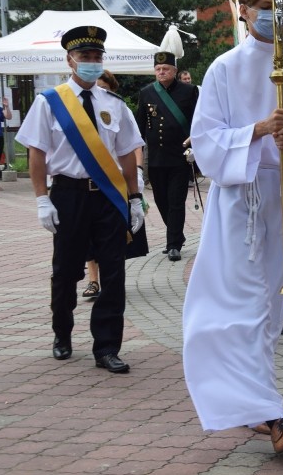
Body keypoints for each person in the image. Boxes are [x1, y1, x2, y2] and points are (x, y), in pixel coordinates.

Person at [181, 0, 283, 453]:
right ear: (244, 12)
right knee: (241, 306)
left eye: (279, 7)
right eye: (262, 5)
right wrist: (259, 130)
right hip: (237, 199)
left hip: (281, 196)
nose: (272, 14)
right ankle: (271, 415)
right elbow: (206, 139)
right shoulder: (224, 69)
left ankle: (254, 403)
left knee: (271, 307)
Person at [15, 25, 144, 373]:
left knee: (113, 272)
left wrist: (135, 198)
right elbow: (37, 154)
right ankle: (62, 333)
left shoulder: (114, 104)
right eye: (85, 56)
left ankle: (106, 348)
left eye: (97, 56)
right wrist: (42, 199)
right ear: (70, 60)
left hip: (107, 196)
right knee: (66, 270)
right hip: (69, 194)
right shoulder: (49, 102)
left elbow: (128, 154)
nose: (92, 62)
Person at [82, 70, 149, 299]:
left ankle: (112, 279)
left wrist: (138, 174)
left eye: (104, 88)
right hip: (87, 183)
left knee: (114, 237)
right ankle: (93, 280)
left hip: (115, 182)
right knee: (88, 236)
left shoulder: (119, 108)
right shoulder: (77, 109)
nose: (99, 91)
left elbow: (134, 146)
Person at [136, 52, 199, 262]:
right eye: (158, 69)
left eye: (165, 69)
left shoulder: (189, 92)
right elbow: (140, 127)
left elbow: (197, 121)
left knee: (176, 202)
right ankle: (177, 234)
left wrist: (195, 146)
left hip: (179, 156)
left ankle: (173, 244)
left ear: (174, 71)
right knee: (161, 201)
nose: (161, 72)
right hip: (155, 157)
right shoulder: (146, 93)